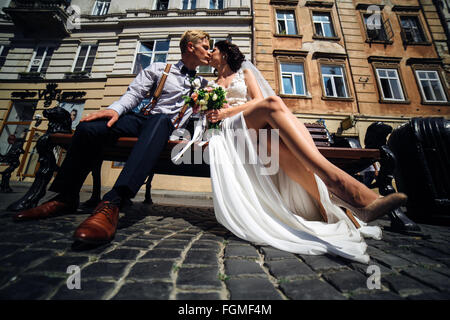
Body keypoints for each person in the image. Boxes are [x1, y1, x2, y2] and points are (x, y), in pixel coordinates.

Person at [202, 41, 407, 263]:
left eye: (213, 49)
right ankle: (341, 185)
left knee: (278, 143)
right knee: (274, 103)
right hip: (229, 129)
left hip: (253, 126)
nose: (210, 53)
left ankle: (329, 204)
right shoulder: (209, 85)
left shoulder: (245, 73)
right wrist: (219, 114)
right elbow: (215, 114)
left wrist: (229, 110)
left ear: (224, 54)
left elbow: (257, 100)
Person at [13, 30, 211, 245]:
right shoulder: (160, 69)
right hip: (141, 120)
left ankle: (113, 202)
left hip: (167, 129)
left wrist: (204, 110)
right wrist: (115, 110)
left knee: (161, 121)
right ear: (191, 47)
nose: (209, 53)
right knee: (89, 127)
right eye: (206, 47)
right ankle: (66, 197)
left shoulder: (204, 85)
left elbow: (206, 115)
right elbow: (134, 94)